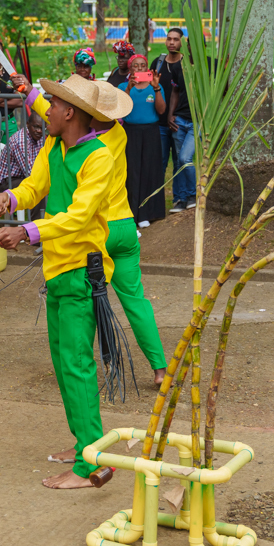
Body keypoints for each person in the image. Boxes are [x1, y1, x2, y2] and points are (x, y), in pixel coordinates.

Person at [0, 75, 123, 490]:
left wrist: (26, 232)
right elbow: (35, 186)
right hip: (56, 268)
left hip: (82, 271)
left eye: (51, 103)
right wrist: (10, 199)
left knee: (77, 364)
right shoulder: (53, 145)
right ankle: (86, 442)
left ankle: (92, 465)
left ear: (70, 113)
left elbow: (80, 217)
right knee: (64, 362)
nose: (43, 108)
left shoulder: (99, 156)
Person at [91, 80, 167, 384]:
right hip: (125, 226)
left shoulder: (86, 144)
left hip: (98, 229)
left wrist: (33, 95)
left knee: (88, 300)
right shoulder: (118, 132)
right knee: (136, 300)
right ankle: (160, 367)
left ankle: (103, 365)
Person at [118, 53, 167, 225]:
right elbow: (121, 111)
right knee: (132, 171)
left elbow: (161, 111)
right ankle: (132, 213)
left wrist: (156, 88)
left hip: (151, 132)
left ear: (148, 69)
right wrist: (129, 89)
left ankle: (147, 212)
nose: (139, 68)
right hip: (131, 133)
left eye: (142, 65)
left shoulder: (155, 86)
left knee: (150, 170)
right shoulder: (123, 86)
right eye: (135, 66)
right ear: (130, 69)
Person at [152, 27, 192, 213]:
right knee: (159, 162)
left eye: (176, 39)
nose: (171, 43)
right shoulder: (158, 63)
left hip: (179, 121)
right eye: (169, 39)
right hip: (159, 122)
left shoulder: (187, 65)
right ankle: (156, 204)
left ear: (181, 42)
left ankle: (180, 199)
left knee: (180, 161)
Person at [0, 112, 46, 203]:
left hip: (23, 177)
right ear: (27, 124)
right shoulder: (20, 141)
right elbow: (31, 173)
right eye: (36, 127)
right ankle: (37, 217)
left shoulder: (39, 136)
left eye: (42, 128)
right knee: (37, 187)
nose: (39, 131)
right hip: (8, 183)